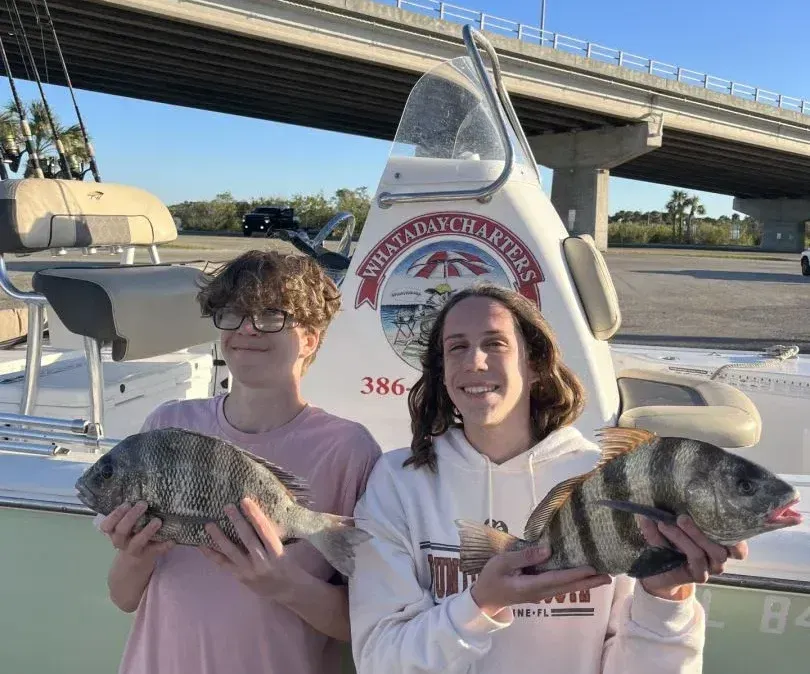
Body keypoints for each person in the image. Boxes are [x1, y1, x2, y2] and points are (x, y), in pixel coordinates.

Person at [348, 283, 746, 673]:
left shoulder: (608, 481)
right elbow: (380, 659)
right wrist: (480, 604)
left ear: (534, 364)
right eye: (457, 347)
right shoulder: (398, 482)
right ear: (442, 369)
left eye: (495, 343)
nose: (475, 362)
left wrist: (665, 598)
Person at [97, 250, 381, 674]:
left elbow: (364, 624)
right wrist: (135, 554)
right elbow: (123, 597)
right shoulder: (169, 424)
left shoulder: (347, 449)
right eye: (233, 314)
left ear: (310, 338)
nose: (247, 329)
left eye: (271, 315)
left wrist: (283, 582)